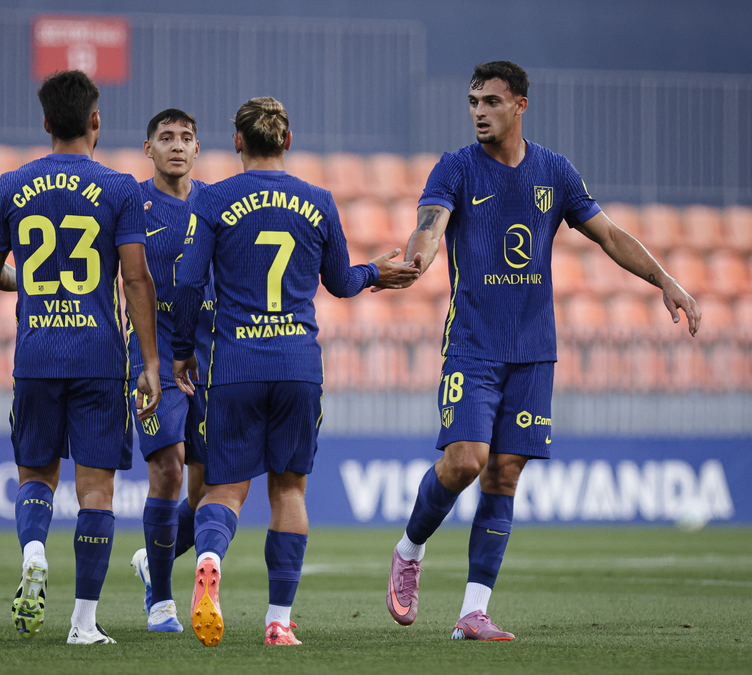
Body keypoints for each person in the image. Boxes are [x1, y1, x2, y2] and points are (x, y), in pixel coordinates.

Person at [383, 60, 701, 641]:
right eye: (474, 101)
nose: (479, 111)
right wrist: (419, 258)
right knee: (465, 461)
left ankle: (472, 613)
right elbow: (430, 225)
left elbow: (608, 235)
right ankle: (409, 549)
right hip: (473, 346)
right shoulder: (455, 167)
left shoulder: (555, 171)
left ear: (520, 105)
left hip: (533, 352)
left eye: (491, 102)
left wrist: (666, 280)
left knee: (504, 475)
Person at [170, 96, 420, 647]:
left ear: (237, 142)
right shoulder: (318, 200)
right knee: (289, 491)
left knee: (225, 489)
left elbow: (188, 284)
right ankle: (278, 621)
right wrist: (376, 272)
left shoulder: (211, 200)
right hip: (297, 365)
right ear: (286, 140)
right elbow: (340, 282)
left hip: (234, 365)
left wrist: (183, 350)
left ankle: (208, 559)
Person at [0, 69, 161, 645]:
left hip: (34, 354)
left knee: (35, 476)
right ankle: (82, 623)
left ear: (45, 123)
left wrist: (32, 288)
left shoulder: (11, 184)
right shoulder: (120, 188)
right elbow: (135, 281)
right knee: (96, 492)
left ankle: (34, 550)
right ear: (95, 120)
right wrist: (150, 363)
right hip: (99, 357)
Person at [125, 108, 215, 633]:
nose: (177, 146)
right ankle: (162, 601)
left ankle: (149, 560)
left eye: (186, 138)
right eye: (166, 138)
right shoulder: (131, 205)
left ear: (198, 149)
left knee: (207, 491)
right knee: (169, 469)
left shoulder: (216, 203)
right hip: (152, 356)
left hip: (207, 358)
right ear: (148, 148)